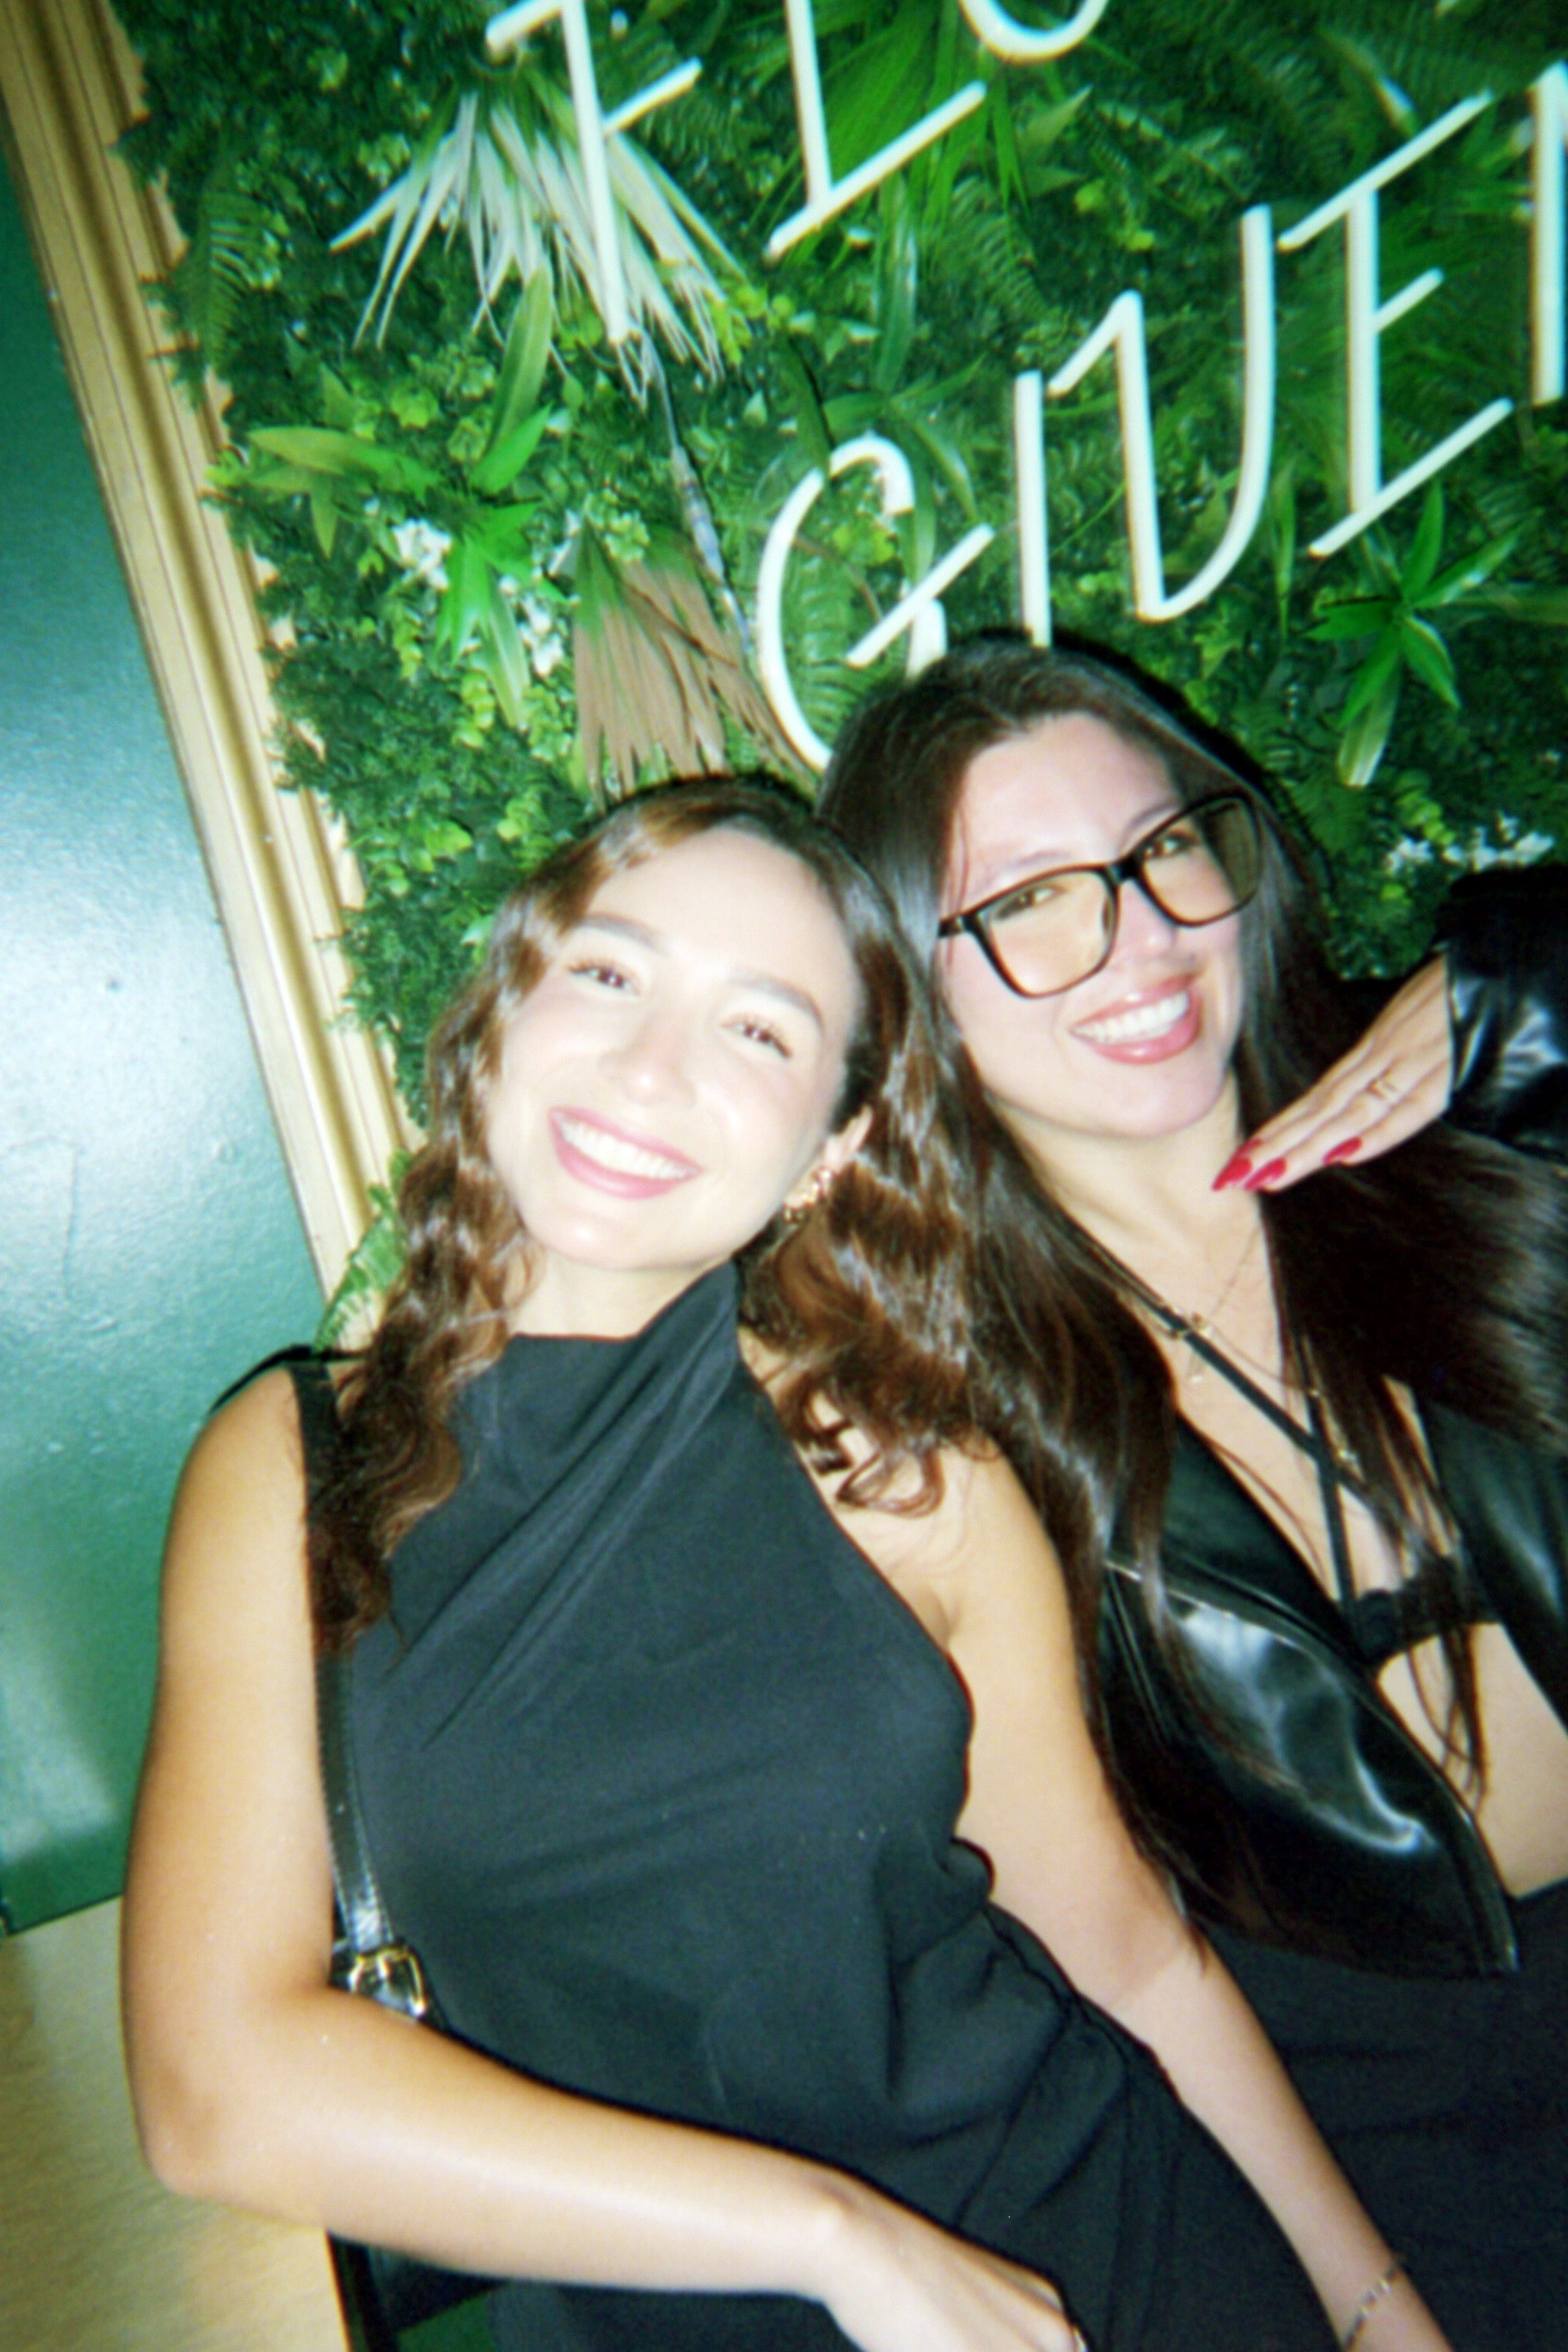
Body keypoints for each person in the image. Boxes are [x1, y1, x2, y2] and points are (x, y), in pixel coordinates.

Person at [122, 779, 1431, 2352]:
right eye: (607, 975)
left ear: (829, 1149)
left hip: (1110, 2263)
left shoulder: (898, 1473)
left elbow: (1129, 1956)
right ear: (498, 1014)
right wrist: (835, 2241)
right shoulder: (290, 1465)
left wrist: (1369, 2312)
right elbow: (213, 2088)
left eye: (759, 1032)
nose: (651, 1067)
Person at [819, 639, 1568, 2352]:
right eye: (1030, 903)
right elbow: (1110, 1952)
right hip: (1377, 2148)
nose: (1142, 938)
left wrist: (1532, 984)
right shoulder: (946, 1419)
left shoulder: (1489, 1158)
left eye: (1166, 852)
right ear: (910, 988)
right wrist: (1365, 2306)